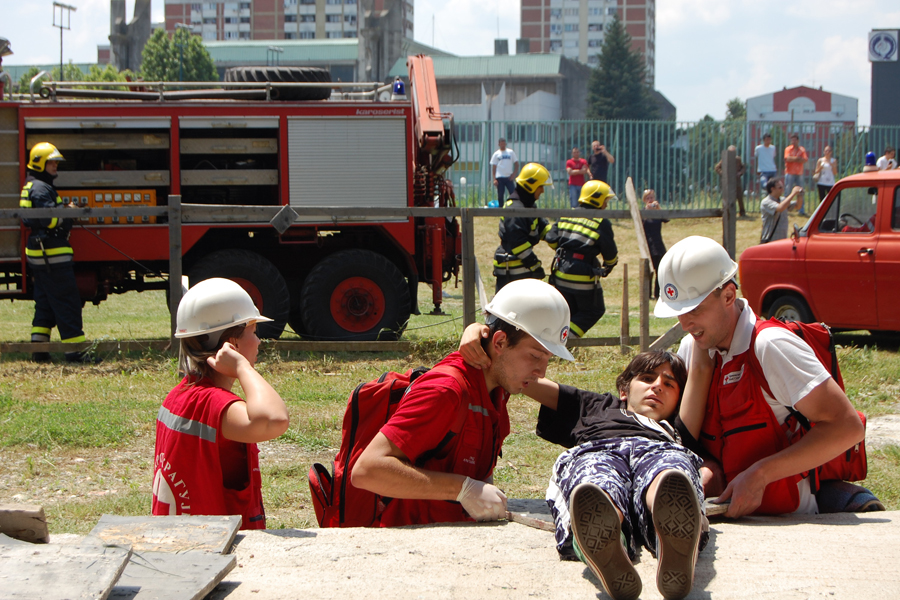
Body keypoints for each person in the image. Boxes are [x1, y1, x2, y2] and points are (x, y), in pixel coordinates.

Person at [654, 236, 871, 519]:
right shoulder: (693, 349)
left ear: (729, 296)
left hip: (794, 524)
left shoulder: (770, 346)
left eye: (695, 310)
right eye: (679, 312)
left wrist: (760, 474)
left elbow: (847, 427)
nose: (684, 324)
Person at [350, 279, 575, 527]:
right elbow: (366, 471)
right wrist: (462, 489)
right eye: (534, 356)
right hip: (402, 547)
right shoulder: (446, 391)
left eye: (548, 359)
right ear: (499, 342)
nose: (541, 372)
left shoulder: (499, 385)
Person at [152, 278, 290, 530]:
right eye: (253, 332)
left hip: (179, 540)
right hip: (211, 550)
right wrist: (242, 367)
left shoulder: (178, 395)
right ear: (232, 345)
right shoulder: (217, 406)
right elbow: (275, 420)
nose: (259, 341)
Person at [19, 142, 97, 364]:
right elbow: (48, 219)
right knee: (67, 302)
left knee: (44, 302)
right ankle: (75, 353)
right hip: (52, 255)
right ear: (40, 163)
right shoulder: (42, 188)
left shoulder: (33, 185)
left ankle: (39, 349)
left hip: (41, 255)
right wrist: (68, 213)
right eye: (51, 162)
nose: (55, 166)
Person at [546, 181, 618, 338]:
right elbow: (610, 253)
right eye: (605, 200)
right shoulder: (601, 221)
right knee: (593, 311)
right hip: (583, 274)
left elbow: (551, 238)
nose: (606, 205)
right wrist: (610, 265)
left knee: (567, 310)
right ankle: (565, 340)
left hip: (560, 271)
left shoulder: (566, 215)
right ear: (596, 199)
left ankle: (560, 341)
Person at [492, 162, 554, 292]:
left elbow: (542, 228)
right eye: (540, 186)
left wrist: (559, 237)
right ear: (531, 186)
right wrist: (534, 265)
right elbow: (518, 244)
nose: (542, 190)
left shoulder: (527, 206)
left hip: (520, 265)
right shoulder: (515, 210)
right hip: (512, 269)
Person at [641, 189, 668, 299]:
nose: (650, 200)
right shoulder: (642, 212)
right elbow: (641, 225)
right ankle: (647, 295)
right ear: (644, 200)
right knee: (648, 272)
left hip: (658, 244)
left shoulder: (657, 212)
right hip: (648, 245)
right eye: (648, 198)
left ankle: (658, 294)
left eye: (651, 197)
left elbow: (666, 219)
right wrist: (647, 213)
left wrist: (658, 209)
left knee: (660, 270)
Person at [759, 178, 803, 244]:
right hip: (770, 240)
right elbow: (780, 208)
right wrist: (793, 193)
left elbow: (797, 206)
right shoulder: (766, 202)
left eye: (782, 187)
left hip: (782, 239)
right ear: (772, 189)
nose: (782, 189)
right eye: (780, 187)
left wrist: (800, 195)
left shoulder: (783, 200)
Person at [714, 145, 747, 217]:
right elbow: (717, 168)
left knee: (739, 197)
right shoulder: (724, 159)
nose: (733, 154)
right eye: (731, 152)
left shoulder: (738, 159)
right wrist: (723, 173)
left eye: (734, 152)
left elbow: (743, 168)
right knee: (728, 197)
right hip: (728, 181)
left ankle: (742, 212)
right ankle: (728, 212)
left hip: (736, 180)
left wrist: (740, 173)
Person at [783, 134, 808, 215]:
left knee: (800, 191)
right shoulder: (788, 149)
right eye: (792, 140)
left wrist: (793, 158)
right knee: (788, 191)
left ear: (798, 141)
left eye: (795, 140)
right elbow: (787, 158)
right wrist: (797, 158)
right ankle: (785, 208)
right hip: (789, 172)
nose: (793, 142)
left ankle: (801, 210)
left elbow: (804, 159)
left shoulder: (802, 149)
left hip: (799, 173)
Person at [490, 138, 519, 205]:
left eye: (504, 143)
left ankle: (514, 207)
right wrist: (494, 179)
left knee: (513, 194)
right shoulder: (496, 154)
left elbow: (517, 164)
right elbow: (494, 168)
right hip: (500, 177)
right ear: (499, 144)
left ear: (505, 144)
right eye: (501, 143)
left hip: (509, 177)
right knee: (500, 195)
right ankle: (501, 211)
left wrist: (513, 175)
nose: (502, 145)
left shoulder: (510, 152)